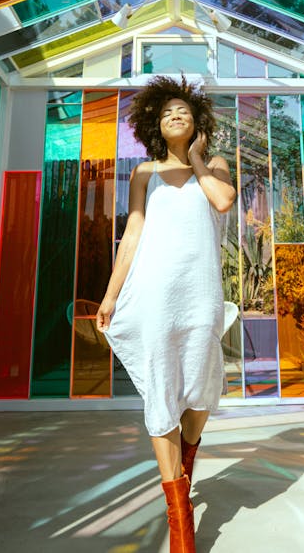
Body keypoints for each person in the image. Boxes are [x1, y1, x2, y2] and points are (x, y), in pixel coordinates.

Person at [97, 76, 236, 553]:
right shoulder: (143, 174)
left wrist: (197, 157)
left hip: (201, 294)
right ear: (155, 123)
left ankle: (185, 470)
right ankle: (181, 524)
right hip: (155, 292)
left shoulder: (213, 165)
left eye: (185, 111)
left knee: (197, 395)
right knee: (162, 393)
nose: (176, 116)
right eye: (167, 112)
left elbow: (222, 201)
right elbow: (132, 235)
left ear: (198, 122)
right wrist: (112, 296)